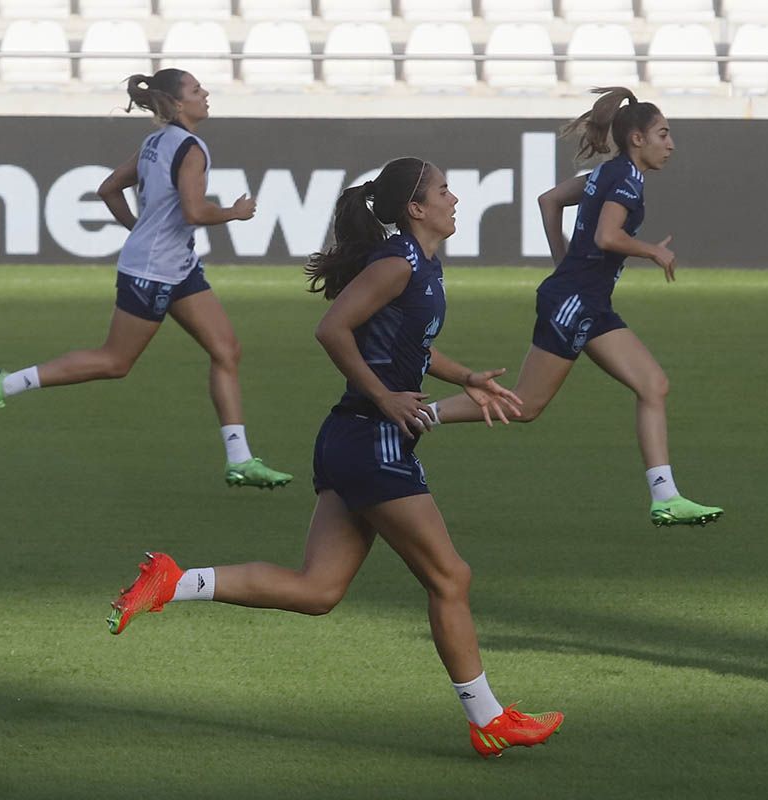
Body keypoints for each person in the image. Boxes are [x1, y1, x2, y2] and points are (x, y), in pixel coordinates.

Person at [105, 157, 563, 758]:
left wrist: (466, 374)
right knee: (450, 576)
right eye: (445, 191)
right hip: (370, 439)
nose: (456, 199)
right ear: (416, 209)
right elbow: (332, 330)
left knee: (318, 590)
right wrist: (384, 396)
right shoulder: (397, 264)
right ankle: (489, 717)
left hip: (352, 438)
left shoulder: (421, 263)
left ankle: (173, 580)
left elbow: (408, 345)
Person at [0, 69, 292, 489]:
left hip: (176, 266)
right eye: (196, 90)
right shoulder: (190, 148)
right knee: (115, 362)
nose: (205, 93)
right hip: (153, 273)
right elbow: (193, 211)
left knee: (226, 349)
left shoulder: (156, 141)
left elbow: (108, 188)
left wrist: (141, 231)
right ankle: (6, 383)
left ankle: (240, 459)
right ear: (177, 104)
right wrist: (234, 212)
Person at [426, 87, 723, 528]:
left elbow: (549, 200)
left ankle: (665, 496)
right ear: (637, 139)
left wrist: (561, 260)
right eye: (663, 133)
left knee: (653, 385)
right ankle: (414, 417)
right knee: (525, 406)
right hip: (574, 304)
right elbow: (607, 236)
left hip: (588, 303)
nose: (671, 143)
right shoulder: (625, 180)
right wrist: (650, 251)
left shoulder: (610, 171)